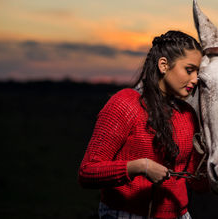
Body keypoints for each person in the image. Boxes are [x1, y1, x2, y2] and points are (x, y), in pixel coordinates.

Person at [78, 30, 208, 219]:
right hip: (127, 214)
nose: (196, 79)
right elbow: (87, 172)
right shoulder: (125, 104)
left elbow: (198, 184)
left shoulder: (187, 115)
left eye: (198, 72)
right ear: (164, 65)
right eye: (189, 70)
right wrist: (139, 167)